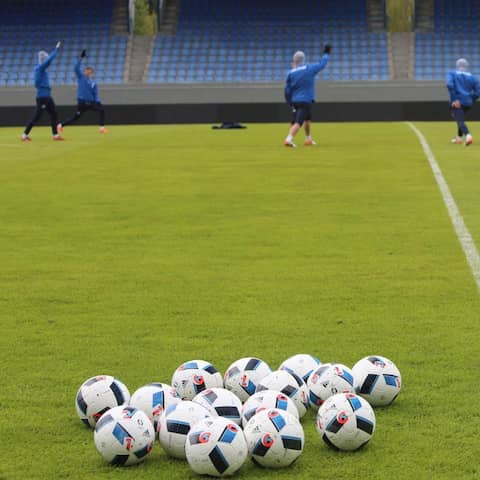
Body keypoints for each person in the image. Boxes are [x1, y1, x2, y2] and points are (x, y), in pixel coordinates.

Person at [283, 45, 331, 148]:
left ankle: (308, 139)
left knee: (307, 119)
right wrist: (326, 53)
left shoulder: (290, 73)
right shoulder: (309, 68)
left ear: (294, 60)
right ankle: (289, 139)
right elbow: (322, 64)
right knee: (298, 122)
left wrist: (289, 102)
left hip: (295, 101)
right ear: (304, 59)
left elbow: (287, 90)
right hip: (306, 100)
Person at [22, 42, 64, 142]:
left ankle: (55, 135)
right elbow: (49, 60)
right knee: (37, 116)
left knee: (54, 114)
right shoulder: (40, 69)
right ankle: (24, 135)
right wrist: (57, 49)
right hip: (43, 97)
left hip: (47, 96)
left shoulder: (40, 70)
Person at [58, 50, 107, 134]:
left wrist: (97, 102)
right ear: (84, 72)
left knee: (102, 110)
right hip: (82, 102)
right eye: (86, 70)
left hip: (91, 103)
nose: (88, 72)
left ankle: (101, 128)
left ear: (92, 73)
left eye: (89, 71)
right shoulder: (81, 77)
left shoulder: (94, 83)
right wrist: (81, 58)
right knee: (76, 118)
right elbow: (76, 68)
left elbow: (95, 94)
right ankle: (60, 125)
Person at [447, 58, 480, 146]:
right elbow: (478, 91)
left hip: (457, 100)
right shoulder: (473, 77)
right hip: (468, 103)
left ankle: (468, 135)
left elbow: (449, 85)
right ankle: (458, 138)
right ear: (466, 66)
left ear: (457, 65)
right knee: (460, 117)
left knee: (459, 120)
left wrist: (455, 100)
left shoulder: (452, 74)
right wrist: (471, 99)